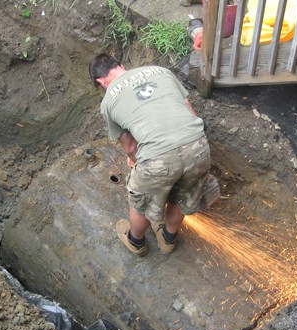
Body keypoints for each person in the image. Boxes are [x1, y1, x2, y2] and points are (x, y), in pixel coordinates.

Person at [89, 53, 210, 256]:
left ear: (101, 82)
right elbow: (189, 111)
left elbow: (130, 148)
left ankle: (136, 242)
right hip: (198, 145)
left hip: (158, 159)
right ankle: (168, 239)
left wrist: (140, 164)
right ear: (121, 65)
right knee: (181, 194)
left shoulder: (108, 100)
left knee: (141, 201)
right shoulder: (161, 71)